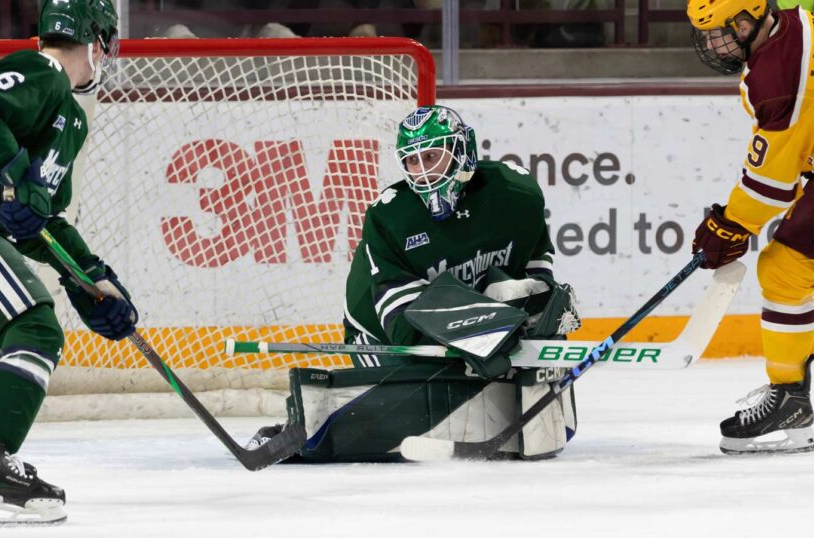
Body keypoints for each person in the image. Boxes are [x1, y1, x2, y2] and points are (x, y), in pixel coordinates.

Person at [248, 105, 580, 462]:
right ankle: (306, 433)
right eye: (413, 161)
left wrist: (537, 308)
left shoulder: (516, 192)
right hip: (382, 337)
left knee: (517, 391)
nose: (422, 173)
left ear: (463, 150)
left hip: (470, 327)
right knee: (423, 391)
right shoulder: (390, 217)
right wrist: (482, 332)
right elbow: (404, 326)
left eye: (433, 156)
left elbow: (535, 259)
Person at [0, 0, 136, 525]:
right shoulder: (43, 72)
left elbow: (38, 221)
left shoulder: (72, 119)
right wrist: (13, 171)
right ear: (92, 38)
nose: (105, 54)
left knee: (16, 332)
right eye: (104, 41)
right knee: (35, 329)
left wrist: (87, 277)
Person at [687, 0, 814, 455]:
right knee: (785, 267)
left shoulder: (778, 75)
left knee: (786, 268)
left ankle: (790, 397)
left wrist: (726, 225)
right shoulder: (799, 23)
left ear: (749, 22)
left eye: (722, 34)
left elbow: (771, 185)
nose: (715, 46)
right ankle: (789, 398)